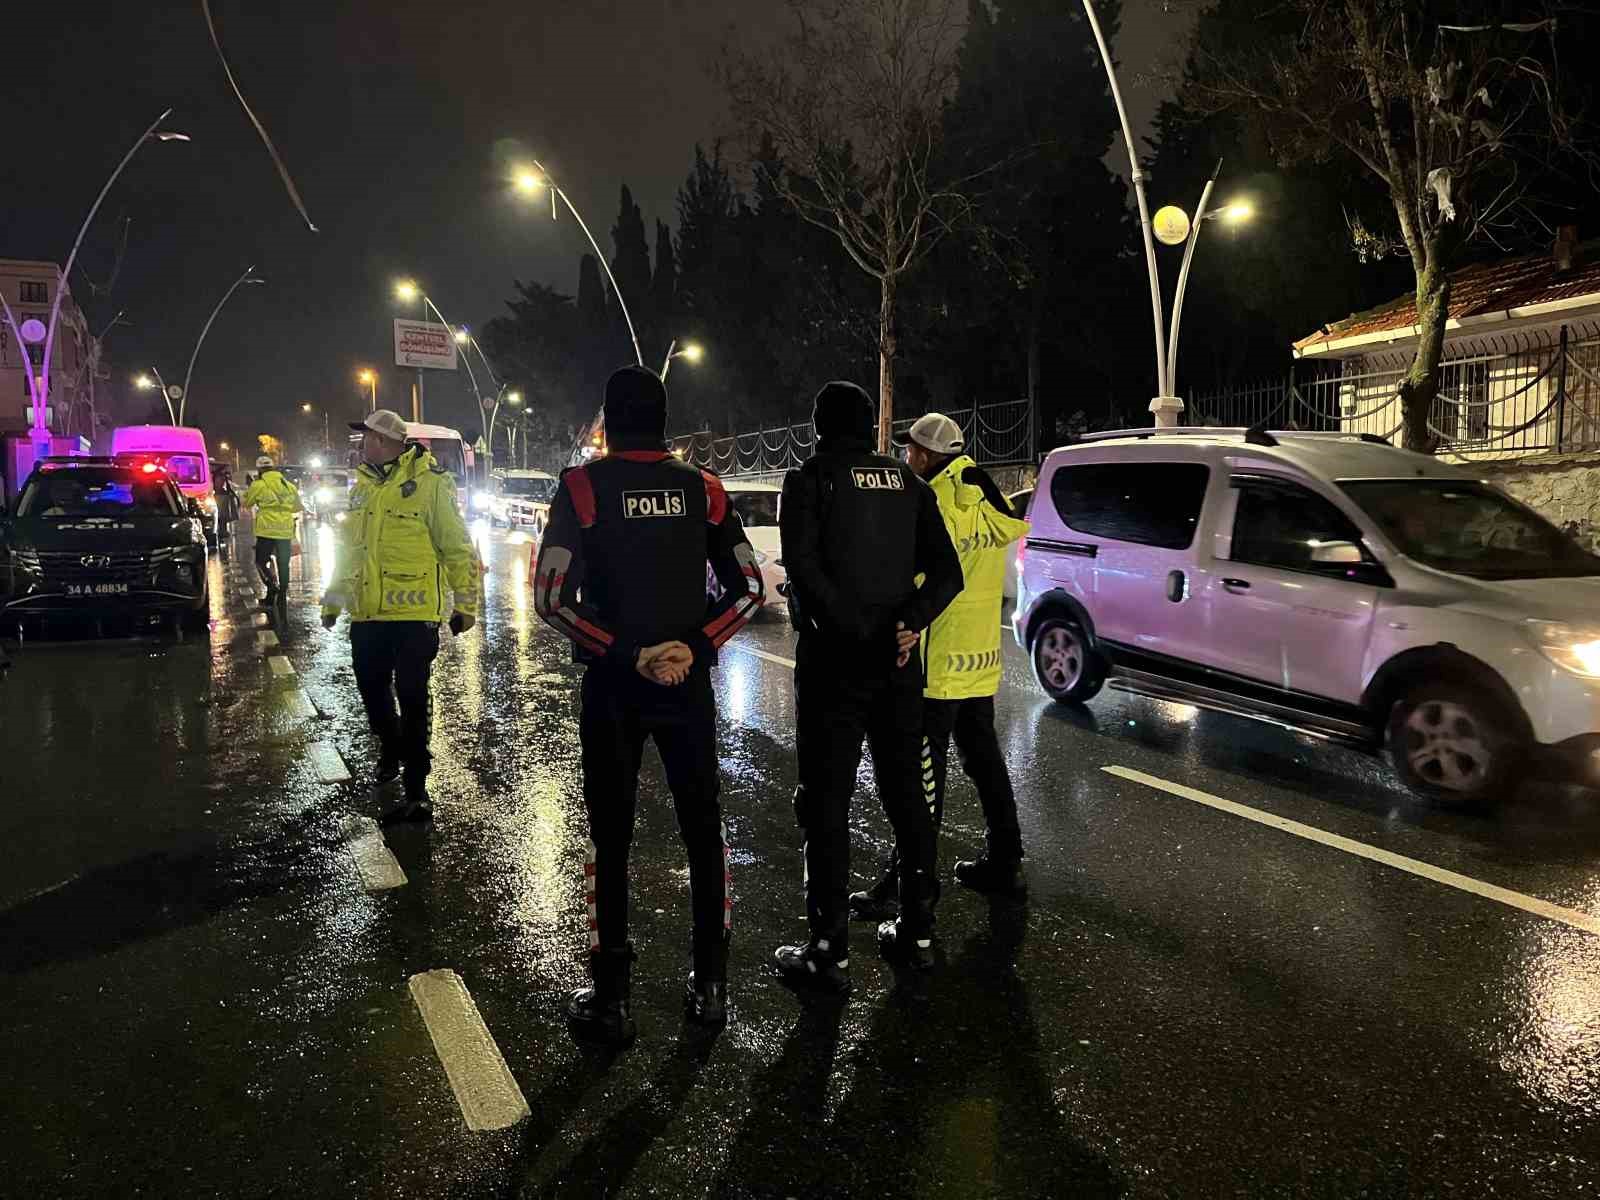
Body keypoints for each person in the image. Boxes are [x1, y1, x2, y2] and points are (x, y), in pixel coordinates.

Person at [533, 366, 764, 1046]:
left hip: (613, 688)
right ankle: (712, 987)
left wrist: (626, 651)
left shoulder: (581, 488)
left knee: (611, 838)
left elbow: (551, 600)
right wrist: (693, 646)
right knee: (703, 831)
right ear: (664, 419)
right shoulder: (707, 490)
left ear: (609, 419)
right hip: (686, 687)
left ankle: (612, 998)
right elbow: (748, 589)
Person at [773, 382, 962, 993]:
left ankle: (829, 949)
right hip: (899, 667)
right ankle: (919, 931)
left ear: (818, 426)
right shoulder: (908, 483)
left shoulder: (809, 481)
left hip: (835, 665)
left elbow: (803, 568)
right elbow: (947, 574)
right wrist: (905, 626)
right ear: (871, 428)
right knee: (907, 796)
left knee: (825, 802)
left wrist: (857, 631)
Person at [851, 413, 1032, 924]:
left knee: (919, 782)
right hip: (980, 661)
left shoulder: (932, 499)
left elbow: (909, 575)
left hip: (935, 664)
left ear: (926, 455)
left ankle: (904, 887)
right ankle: (1006, 861)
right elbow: (1002, 535)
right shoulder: (981, 488)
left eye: (910, 451)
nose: (907, 458)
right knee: (985, 764)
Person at [321, 410, 479, 824]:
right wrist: (332, 602)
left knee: (411, 694)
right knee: (372, 693)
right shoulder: (362, 490)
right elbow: (348, 554)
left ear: (390, 442)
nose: (363, 444)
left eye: (369, 437)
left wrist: (466, 606)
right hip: (368, 615)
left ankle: (417, 788)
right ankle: (389, 745)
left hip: (415, 616)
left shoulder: (431, 486)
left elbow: (457, 549)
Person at [242, 455, 302, 609]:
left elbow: (247, 503)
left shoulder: (258, 485)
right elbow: (296, 507)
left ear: (260, 470)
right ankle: (282, 595)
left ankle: (271, 586)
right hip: (285, 530)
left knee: (261, 561)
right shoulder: (289, 485)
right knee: (283, 563)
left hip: (266, 531)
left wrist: (249, 489)